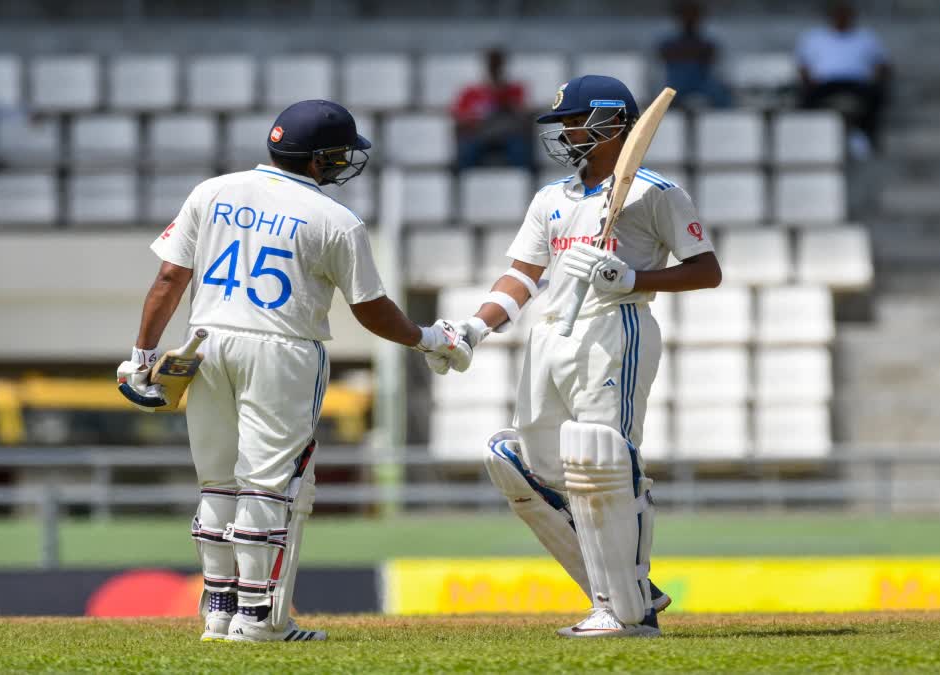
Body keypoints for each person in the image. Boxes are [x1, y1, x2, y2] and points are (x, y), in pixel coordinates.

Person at [116, 99, 470, 643]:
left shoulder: (211, 192)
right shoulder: (336, 220)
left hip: (205, 342)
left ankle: (218, 611)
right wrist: (427, 339)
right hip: (282, 350)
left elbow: (169, 279)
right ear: (320, 159)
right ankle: (258, 620)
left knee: (218, 483)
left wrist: (143, 355)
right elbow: (370, 309)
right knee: (266, 487)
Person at [428, 75, 722, 638]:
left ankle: (623, 608)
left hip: (615, 328)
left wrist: (633, 276)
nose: (563, 133)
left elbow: (706, 271)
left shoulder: (654, 193)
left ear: (612, 124)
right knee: (516, 462)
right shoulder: (551, 199)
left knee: (603, 461)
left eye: (574, 121)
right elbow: (522, 276)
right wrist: (472, 329)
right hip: (551, 338)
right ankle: (629, 590)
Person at [796, 1, 891, 158]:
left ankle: (867, 136)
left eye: (845, 14)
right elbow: (802, 65)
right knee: (806, 99)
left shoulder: (866, 37)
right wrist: (808, 80)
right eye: (837, 15)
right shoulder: (815, 37)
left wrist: (875, 78)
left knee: (876, 96)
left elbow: (883, 65)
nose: (841, 18)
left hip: (857, 83)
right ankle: (809, 139)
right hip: (826, 83)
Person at [452, 48, 534, 170]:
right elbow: (460, 118)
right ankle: (462, 184)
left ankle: (524, 183)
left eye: (497, 64)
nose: (495, 68)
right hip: (479, 135)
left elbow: (523, 114)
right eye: (492, 64)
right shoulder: (471, 92)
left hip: (508, 135)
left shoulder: (514, 89)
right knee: (466, 152)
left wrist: (505, 101)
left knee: (520, 150)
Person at [657, 1, 733, 109]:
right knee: (664, 98)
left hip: (702, 81)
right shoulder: (667, 43)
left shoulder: (708, 44)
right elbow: (662, 59)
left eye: (693, 15)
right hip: (677, 82)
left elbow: (713, 60)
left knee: (722, 96)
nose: (690, 19)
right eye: (686, 15)